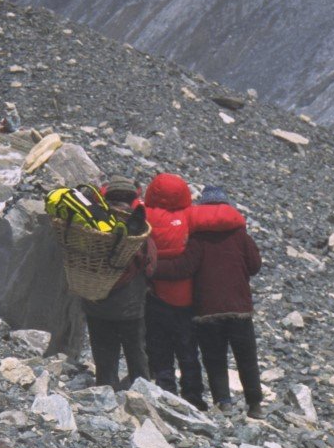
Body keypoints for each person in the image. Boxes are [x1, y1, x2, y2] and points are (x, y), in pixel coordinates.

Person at [152, 185, 265, 419]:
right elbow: (254, 265)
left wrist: (151, 267)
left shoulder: (198, 238)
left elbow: (183, 268)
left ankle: (224, 402)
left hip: (207, 310)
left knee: (215, 358)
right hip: (240, 308)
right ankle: (255, 405)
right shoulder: (240, 236)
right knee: (246, 357)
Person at [141, 173, 244, 409]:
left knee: (159, 346)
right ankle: (193, 395)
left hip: (156, 296)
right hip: (187, 298)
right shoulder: (191, 216)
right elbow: (226, 216)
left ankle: (165, 389)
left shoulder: (144, 214)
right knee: (188, 349)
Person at [81, 175, 154, 390]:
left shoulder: (93, 221)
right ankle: (142, 395)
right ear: (132, 199)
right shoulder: (140, 225)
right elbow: (151, 265)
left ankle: (106, 392)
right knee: (135, 352)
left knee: (104, 353)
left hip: (96, 302)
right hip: (129, 305)